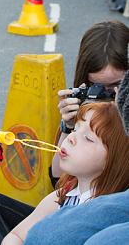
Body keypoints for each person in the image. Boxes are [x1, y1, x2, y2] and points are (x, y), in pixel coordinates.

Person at [2, 101, 129, 245]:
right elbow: (16, 236)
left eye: (88, 138)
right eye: (75, 129)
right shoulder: (61, 197)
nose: (71, 138)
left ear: (117, 159)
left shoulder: (113, 217)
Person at [51, 20, 129, 179]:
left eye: (117, 86)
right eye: (97, 87)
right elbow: (57, 178)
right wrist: (69, 127)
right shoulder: (82, 106)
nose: (107, 96)